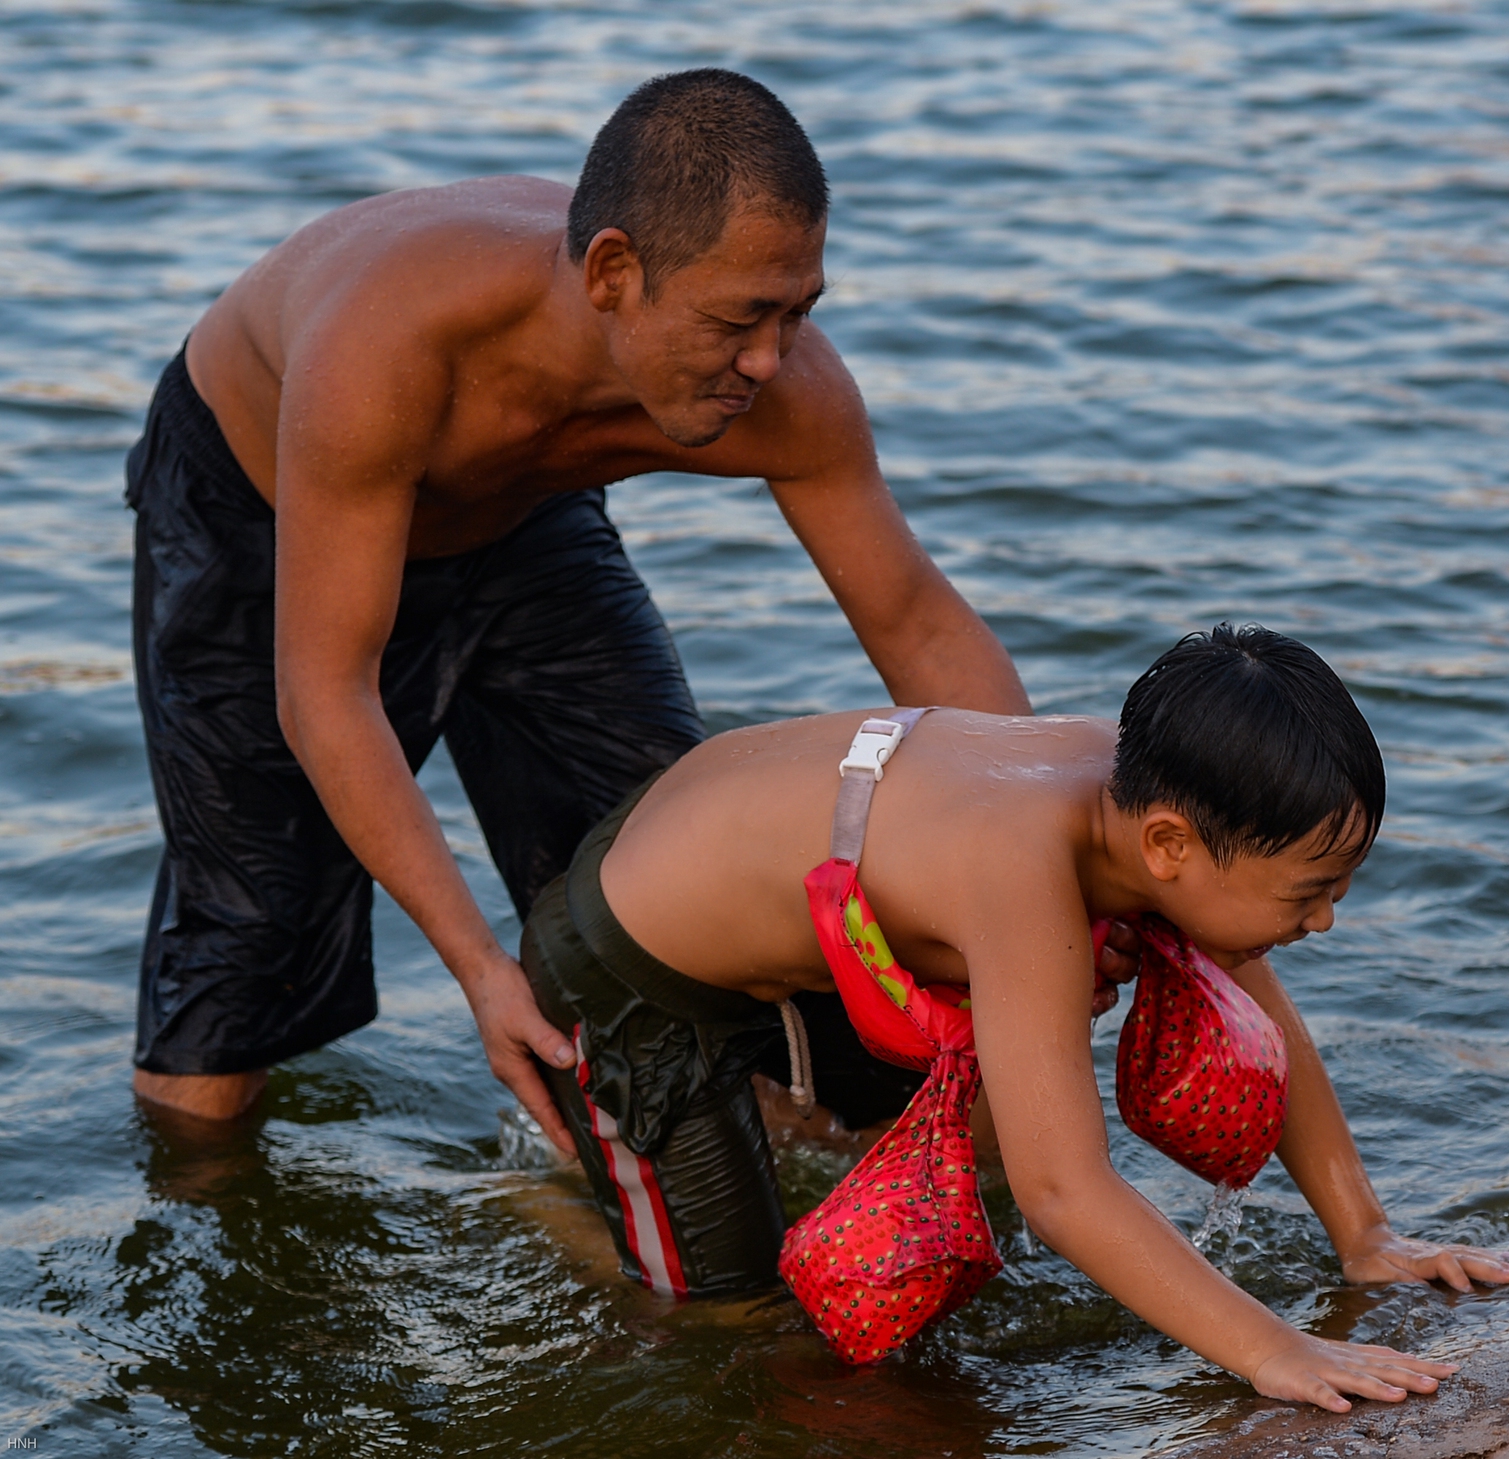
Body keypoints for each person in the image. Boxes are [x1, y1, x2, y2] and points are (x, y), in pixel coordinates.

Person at [123, 68, 1047, 1143]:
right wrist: (480, 971)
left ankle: (714, 1160)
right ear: (613, 272)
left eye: (798, 311)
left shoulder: (785, 390)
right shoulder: (386, 352)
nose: (769, 358)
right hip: (265, 511)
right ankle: (193, 1194)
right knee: (251, 929)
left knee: (656, 869)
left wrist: (1042, 853)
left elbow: (920, 625)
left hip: (521, 513)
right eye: (739, 318)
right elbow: (324, 693)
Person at [520, 624, 1509, 1412]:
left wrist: (1365, 1233)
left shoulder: (1143, 796)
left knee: (977, 1144)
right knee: (731, 1311)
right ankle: (541, 1203)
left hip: (774, 890)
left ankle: (757, 1120)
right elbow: (1061, 1189)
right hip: (631, 963)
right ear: (1170, 844)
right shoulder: (1025, 872)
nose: (1324, 918)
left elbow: (1259, 1002)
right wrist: (1270, 1347)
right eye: (1307, 890)